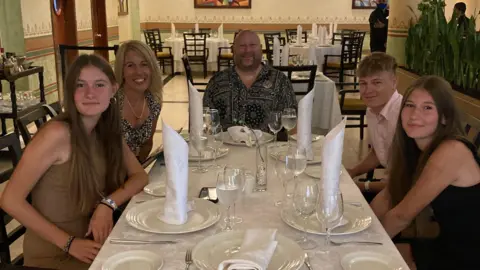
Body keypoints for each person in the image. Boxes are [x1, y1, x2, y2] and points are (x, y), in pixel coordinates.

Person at [0, 54, 149, 269]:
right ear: (71, 91)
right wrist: (69, 244)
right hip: (54, 257)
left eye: (99, 84)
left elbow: (140, 176)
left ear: (113, 89)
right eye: (81, 85)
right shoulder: (57, 134)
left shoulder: (106, 130)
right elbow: (10, 200)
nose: (90, 93)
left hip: (93, 247)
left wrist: (108, 204)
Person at [371, 76, 480, 270]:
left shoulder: (452, 150)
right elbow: (389, 195)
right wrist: (362, 225)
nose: (414, 115)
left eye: (427, 107)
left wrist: (362, 246)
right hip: (447, 243)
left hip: (469, 256)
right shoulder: (417, 149)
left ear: (445, 117)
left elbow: (401, 216)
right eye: (410, 105)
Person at [203, 30, 297, 132]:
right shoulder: (217, 82)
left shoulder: (280, 81)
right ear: (233, 49)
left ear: (261, 49)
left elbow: (293, 125)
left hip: (268, 146)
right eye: (242, 46)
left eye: (252, 45)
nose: (247, 50)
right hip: (227, 147)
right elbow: (203, 122)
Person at [346, 52, 402, 202]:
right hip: (391, 185)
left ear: (394, 82)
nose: (368, 90)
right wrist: (352, 172)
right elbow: (379, 152)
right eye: (363, 83)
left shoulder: (404, 115)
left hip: (407, 191)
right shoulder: (372, 111)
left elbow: (404, 182)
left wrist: (363, 186)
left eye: (377, 83)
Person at [114, 40, 163, 163]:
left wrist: (137, 172)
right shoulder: (111, 103)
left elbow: (147, 144)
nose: (139, 72)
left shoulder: (154, 102)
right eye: (130, 65)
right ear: (122, 71)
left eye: (144, 64)